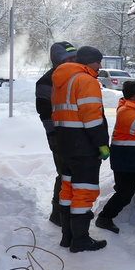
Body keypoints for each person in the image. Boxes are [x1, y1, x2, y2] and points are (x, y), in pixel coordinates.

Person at [51, 45, 110, 253]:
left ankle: (67, 237)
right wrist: (101, 143)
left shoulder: (61, 81)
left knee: (67, 189)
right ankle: (81, 240)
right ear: (88, 62)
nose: (100, 66)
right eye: (98, 62)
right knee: (84, 191)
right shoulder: (86, 80)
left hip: (65, 144)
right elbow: (92, 117)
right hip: (83, 145)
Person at [95, 80, 135, 233]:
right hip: (126, 160)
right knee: (125, 192)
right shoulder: (125, 111)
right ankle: (104, 217)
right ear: (131, 96)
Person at [35, 41, 77, 226]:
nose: (73, 61)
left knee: (73, 172)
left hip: (75, 133)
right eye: (69, 58)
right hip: (58, 135)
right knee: (64, 172)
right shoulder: (46, 81)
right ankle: (58, 212)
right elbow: (44, 112)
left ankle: (69, 209)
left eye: (75, 57)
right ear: (57, 60)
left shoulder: (76, 77)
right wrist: (53, 135)